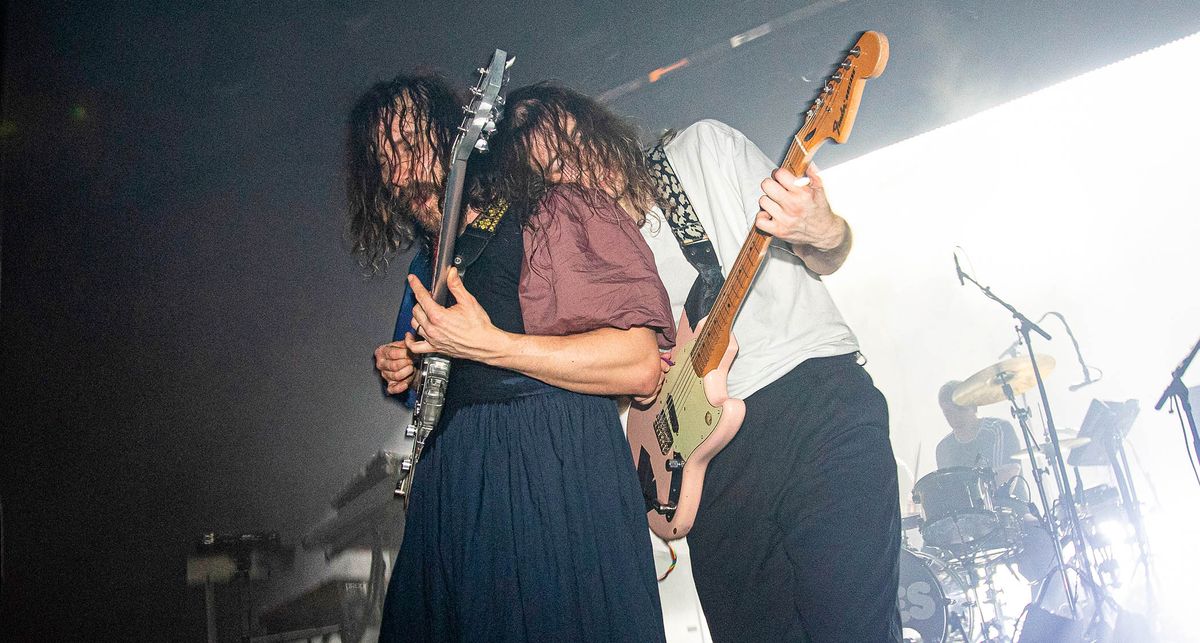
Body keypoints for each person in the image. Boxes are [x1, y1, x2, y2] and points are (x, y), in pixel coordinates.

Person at [501, 82, 901, 643]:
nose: (575, 173)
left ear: (598, 125)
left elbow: (828, 255)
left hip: (813, 403)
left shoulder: (700, 152)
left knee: (850, 625)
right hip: (709, 465)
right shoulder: (585, 269)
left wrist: (821, 229)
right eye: (553, 174)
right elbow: (623, 391)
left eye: (571, 144)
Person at [346, 73, 674, 642]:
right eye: (385, 162)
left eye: (409, 147)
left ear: (455, 137)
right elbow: (439, 376)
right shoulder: (430, 262)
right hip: (455, 489)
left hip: (553, 469)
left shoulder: (547, 208)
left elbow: (639, 362)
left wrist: (494, 346)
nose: (399, 174)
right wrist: (411, 367)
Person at [935, 380, 1021, 482]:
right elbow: (948, 490)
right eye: (948, 412)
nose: (954, 416)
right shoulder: (943, 448)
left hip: (1002, 497)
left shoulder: (998, 429)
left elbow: (1005, 479)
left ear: (973, 405)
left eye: (959, 408)